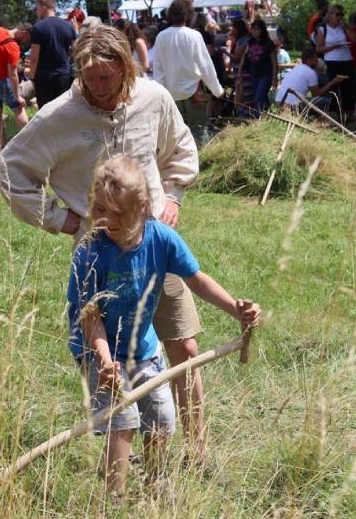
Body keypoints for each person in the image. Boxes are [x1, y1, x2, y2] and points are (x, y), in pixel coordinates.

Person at [0, 26, 214, 470]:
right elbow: (8, 170)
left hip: (154, 242)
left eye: (107, 79)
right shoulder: (59, 116)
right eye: (89, 78)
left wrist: (171, 197)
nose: (98, 88)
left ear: (126, 71)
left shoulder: (153, 98)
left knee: (183, 348)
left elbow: (182, 150)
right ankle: (123, 451)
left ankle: (198, 449)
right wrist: (61, 218)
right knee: (113, 356)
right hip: (102, 255)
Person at [68, 155, 261, 495]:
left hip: (143, 348)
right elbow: (90, 315)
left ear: (141, 209)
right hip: (102, 352)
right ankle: (115, 497)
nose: (105, 219)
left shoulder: (161, 239)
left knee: (161, 418)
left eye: (117, 213)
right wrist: (102, 358)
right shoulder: (89, 252)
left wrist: (235, 308)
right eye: (99, 208)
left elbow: (197, 280)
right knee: (122, 421)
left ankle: (155, 480)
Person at [154, 0, 224, 145]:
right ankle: (201, 162)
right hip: (194, 92)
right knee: (198, 130)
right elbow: (206, 66)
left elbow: (158, 69)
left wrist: (162, 93)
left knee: (178, 133)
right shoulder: (193, 36)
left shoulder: (161, 37)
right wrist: (217, 90)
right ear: (188, 14)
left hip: (172, 93)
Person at [27, 0, 77, 108]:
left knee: (46, 113)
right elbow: (76, 51)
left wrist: (31, 76)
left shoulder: (38, 27)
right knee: (64, 111)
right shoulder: (68, 26)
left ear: (44, 7)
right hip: (64, 75)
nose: (37, 11)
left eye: (37, 8)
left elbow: (34, 57)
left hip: (44, 78)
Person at [275, 45, 347, 111]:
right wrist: (333, 82)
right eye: (315, 59)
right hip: (291, 105)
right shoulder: (311, 73)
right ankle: (322, 118)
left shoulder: (296, 68)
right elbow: (316, 94)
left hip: (279, 102)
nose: (317, 61)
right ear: (308, 59)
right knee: (326, 100)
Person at [316, 5, 356, 115]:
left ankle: (348, 114)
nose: (340, 17)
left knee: (348, 89)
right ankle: (333, 113)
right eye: (337, 14)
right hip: (332, 62)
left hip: (347, 60)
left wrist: (346, 27)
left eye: (341, 14)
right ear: (330, 15)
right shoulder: (323, 29)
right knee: (333, 88)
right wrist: (333, 47)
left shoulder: (343, 27)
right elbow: (318, 49)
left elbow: (355, 39)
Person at [237, 19, 277, 117]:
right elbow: (244, 56)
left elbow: (274, 62)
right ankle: (268, 114)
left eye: (257, 29)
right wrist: (239, 71)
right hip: (254, 74)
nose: (254, 31)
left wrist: (274, 78)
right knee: (261, 96)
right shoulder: (250, 42)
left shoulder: (269, 44)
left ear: (262, 30)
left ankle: (257, 118)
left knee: (259, 97)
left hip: (266, 75)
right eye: (253, 29)